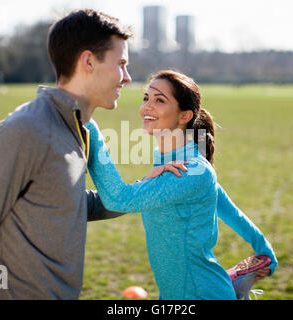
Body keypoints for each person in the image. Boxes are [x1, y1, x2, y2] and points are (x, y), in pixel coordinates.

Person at [0, 9, 141, 300]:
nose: (127, 77)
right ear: (89, 61)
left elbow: (67, 202)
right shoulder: (24, 131)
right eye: (122, 64)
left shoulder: (82, 128)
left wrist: (151, 191)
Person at [85, 70, 278, 299]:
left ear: (185, 115)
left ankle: (232, 288)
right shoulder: (170, 165)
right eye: (146, 98)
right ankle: (235, 288)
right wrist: (264, 249)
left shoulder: (193, 170)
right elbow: (231, 213)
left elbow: (120, 199)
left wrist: (89, 126)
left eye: (159, 100)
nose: (147, 107)